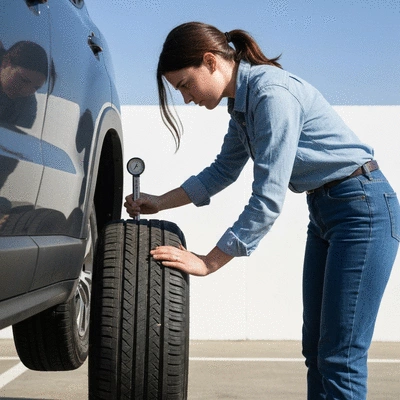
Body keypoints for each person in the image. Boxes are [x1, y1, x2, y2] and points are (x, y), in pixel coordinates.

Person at [124, 22, 400, 399]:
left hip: (362, 209)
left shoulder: (272, 94)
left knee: (341, 355)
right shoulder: (241, 105)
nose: (186, 99)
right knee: (317, 351)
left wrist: (210, 261)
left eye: (185, 85)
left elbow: (268, 199)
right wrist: (159, 201)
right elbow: (223, 170)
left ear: (210, 62)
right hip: (325, 209)